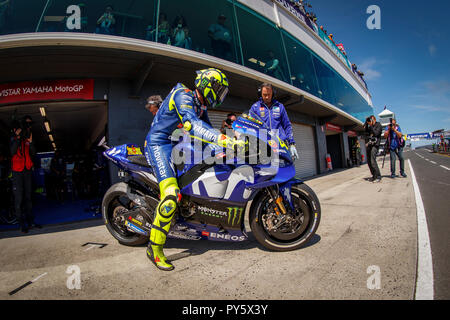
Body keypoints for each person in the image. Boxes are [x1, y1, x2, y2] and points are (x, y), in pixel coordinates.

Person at [144, 68, 242, 271]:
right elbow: (193, 126)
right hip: (160, 144)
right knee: (171, 195)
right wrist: (223, 139)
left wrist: (226, 148)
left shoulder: (200, 105)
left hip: (179, 144)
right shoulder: (184, 96)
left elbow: (208, 133)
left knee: (206, 166)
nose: (221, 95)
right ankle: (154, 248)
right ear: (207, 86)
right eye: (219, 89)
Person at [249, 83, 298, 160]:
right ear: (260, 94)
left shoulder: (280, 106)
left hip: (280, 145)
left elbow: (287, 125)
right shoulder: (255, 107)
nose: (267, 97)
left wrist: (291, 143)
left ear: (273, 94)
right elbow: (250, 126)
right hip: (263, 145)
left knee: (284, 170)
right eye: (264, 94)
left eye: (269, 94)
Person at [10, 116, 41, 233]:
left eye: (29, 125)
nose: (28, 127)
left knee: (29, 197)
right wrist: (18, 137)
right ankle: (21, 223)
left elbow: (33, 152)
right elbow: (12, 152)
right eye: (26, 125)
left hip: (27, 170)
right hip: (17, 172)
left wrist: (31, 142)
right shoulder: (13, 138)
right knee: (19, 199)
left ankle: (31, 221)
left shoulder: (27, 138)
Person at [364, 115, 382, 182]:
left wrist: (371, 125)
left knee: (373, 161)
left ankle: (378, 176)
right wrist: (366, 123)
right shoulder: (370, 127)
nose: (370, 122)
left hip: (375, 145)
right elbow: (366, 132)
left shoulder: (378, 125)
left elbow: (376, 133)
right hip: (370, 145)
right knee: (369, 161)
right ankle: (374, 175)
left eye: (371, 120)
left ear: (374, 119)